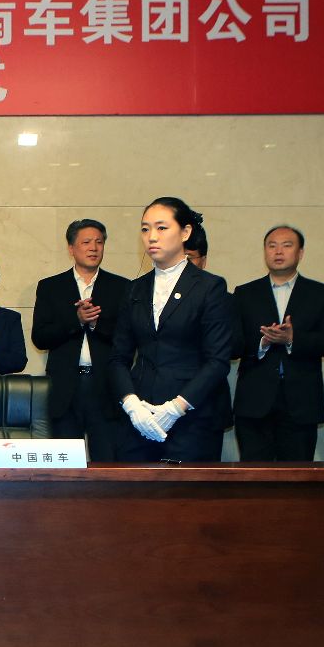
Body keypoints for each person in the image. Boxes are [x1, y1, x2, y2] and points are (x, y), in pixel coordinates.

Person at [109, 197, 235, 462]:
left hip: (192, 420)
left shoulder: (209, 287)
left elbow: (217, 361)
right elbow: (118, 357)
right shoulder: (134, 289)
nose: (152, 237)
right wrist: (131, 404)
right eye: (145, 229)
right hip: (140, 417)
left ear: (185, 232)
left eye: (161, 228)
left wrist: (176, 408)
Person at [231, 225, 324, 461]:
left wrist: (293, 339)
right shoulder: (245, 293)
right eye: (272, 246)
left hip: (301, 403)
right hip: (254, 402)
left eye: (286, 245)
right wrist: (262, 342)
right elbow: (232, 343)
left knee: (298, 476)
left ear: (300, 253)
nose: (278, 251)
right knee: (253, 476)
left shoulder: (321, 294)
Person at [31, 219, 131, 461]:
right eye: (86, 242)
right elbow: (40, 338)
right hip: (65, 388)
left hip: (106, 387)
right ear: (71, 248)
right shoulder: (50, 287)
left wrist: (95, 324)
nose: (93, 248)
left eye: (99, 242)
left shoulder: (122, 287)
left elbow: (128, 338)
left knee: (106, 462)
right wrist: (76, 321)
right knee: (66, 465)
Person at [182, 222, 235, 454]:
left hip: (209, 403)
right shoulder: (152, 297)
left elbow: (235, 346)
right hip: (163, 402)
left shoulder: (222, 297)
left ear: (203, 260)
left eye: (190, 258)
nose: (184, 264)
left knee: (207, 471)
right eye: (180, 257)